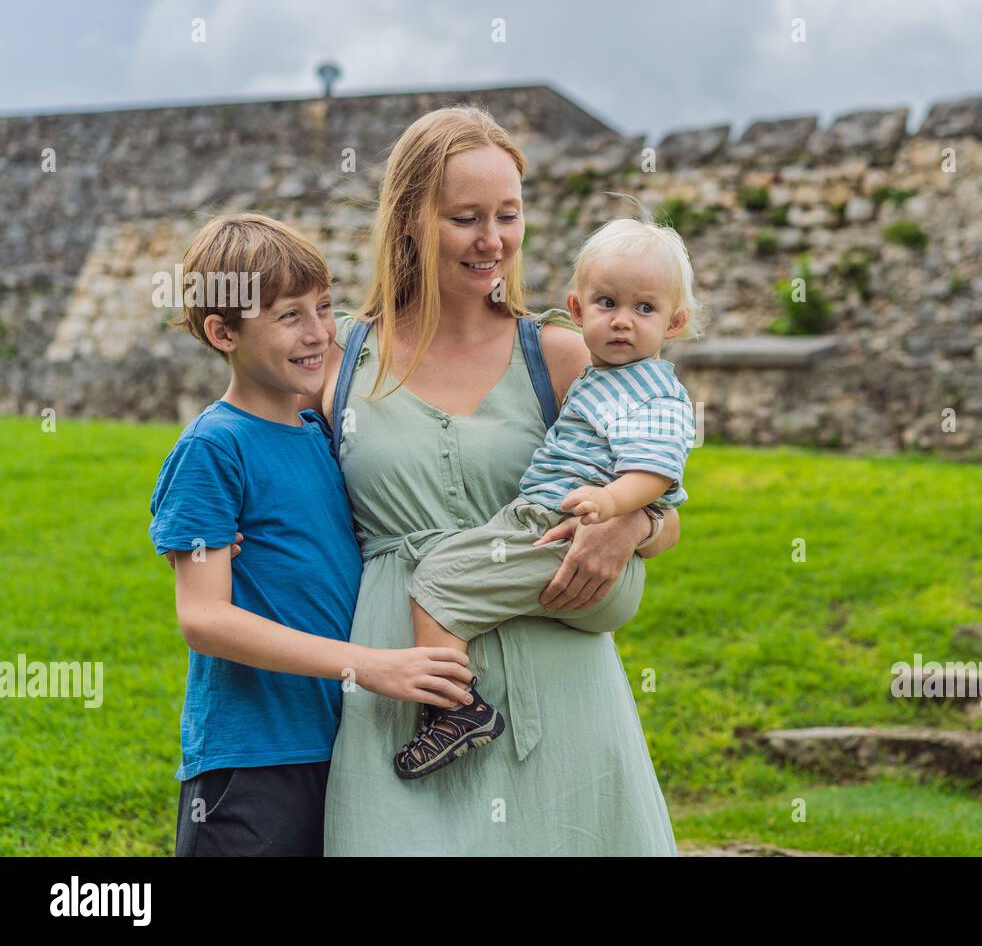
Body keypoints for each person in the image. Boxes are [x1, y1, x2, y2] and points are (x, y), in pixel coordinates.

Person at [307, 106, 694, 855]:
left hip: (563, 689)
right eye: (466, 218)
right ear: (410, 219)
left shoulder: (560, 352)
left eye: (508, 215)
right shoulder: (339, 362)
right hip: (404, 702)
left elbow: (666, 501)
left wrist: (632, 527)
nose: (493, 241)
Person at [149, 213, 474, 856]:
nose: (320, 332)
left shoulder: (324, 434)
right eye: (288, 316)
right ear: (222, 332)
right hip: (252, 758)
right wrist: (374, 666)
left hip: (337, 745)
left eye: (324, 307)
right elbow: (203, 618)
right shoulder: (213, 448)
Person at [392, 213, 701, 778]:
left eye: (645, 309)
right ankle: (453, 710)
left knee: (437, 580)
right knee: (445, 573)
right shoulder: (601, 377)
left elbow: (655, 474)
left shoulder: (652, 391)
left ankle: (454, 712)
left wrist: (613, 508)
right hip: (540, 516)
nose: (623, 322)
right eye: (607, 304)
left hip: (559, 527)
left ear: (675, 322)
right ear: (578, 309)